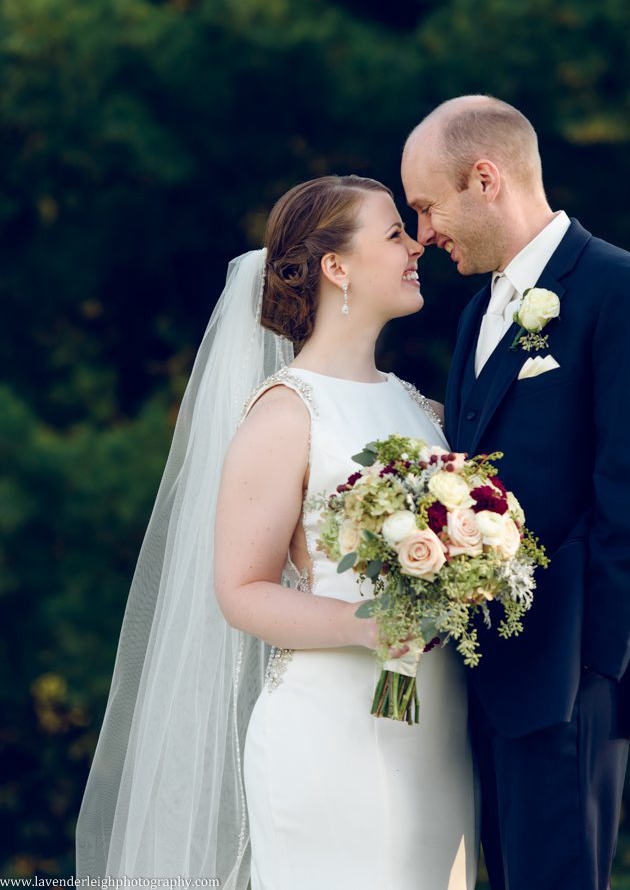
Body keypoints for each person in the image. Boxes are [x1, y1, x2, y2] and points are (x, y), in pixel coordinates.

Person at [76, 174, 477, 890]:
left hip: (438, 730)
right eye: (393, 234)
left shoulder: (424, 411)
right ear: (336, 266)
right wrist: (371, 623)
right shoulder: (287, 414)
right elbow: (242, 589)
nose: (417, 246)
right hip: (333, 735)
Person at [401, 95, 630, 890]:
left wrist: (585, 667)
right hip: (485, 678)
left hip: (567, 679)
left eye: (427, 207)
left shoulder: (620, 289)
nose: (424, 233)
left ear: (484, 178)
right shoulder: (477, 315)